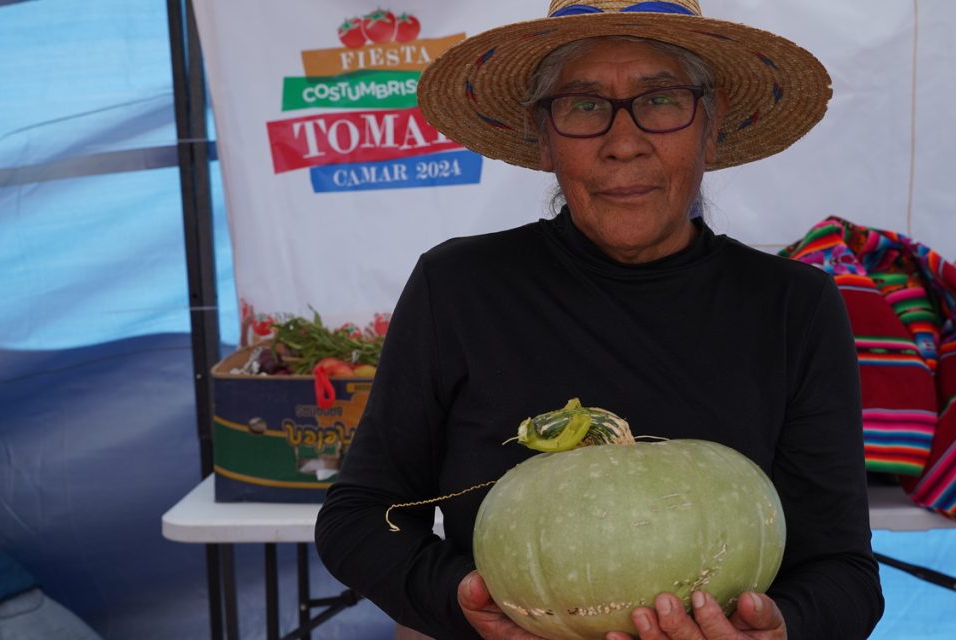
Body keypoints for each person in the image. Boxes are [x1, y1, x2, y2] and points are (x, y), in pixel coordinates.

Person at [315, 2, 884, 638]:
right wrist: (462, 601)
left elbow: (845, 573)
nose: (623, 143)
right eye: (583, 106)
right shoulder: (460, 286)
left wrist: (783, 627)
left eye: (662, 100)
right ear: (543, 134)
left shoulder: (792, 306)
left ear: (712, 123)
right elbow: (361, 516)